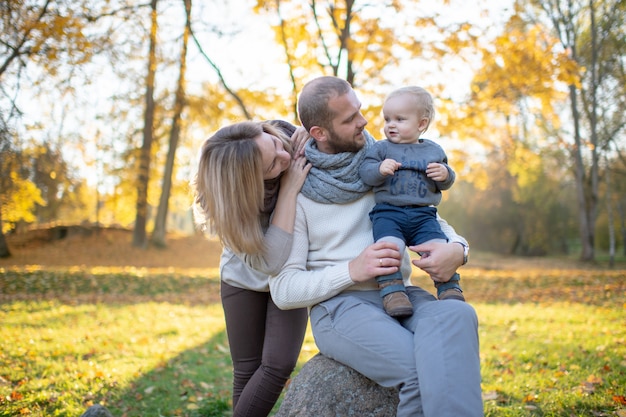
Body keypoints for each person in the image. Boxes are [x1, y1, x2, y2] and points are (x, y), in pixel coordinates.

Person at [269, 76, 482, 417]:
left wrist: (458, 249)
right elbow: (283, 289)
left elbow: (427, 217)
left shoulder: (382, 162)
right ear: (319, 133)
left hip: (403, 296)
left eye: (361, 111)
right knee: (422, 369)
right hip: (341, 308)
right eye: (349, 118)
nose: (365, 122)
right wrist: (353, 269)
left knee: (458, 313)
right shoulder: (299, 188)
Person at [191, 120, 311, 417]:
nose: (285, 158)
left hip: (290, 273)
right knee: (246, 369)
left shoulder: (285, 136)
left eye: (274, 146)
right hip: (243, 278)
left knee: (278, 364)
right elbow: (269, 260)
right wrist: (289, 189)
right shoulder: (223, 203)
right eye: (272, 167)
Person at [359, 86, 465, 318]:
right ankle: (393, 292)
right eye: (387, 119)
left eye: (399, 119)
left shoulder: (433, 150)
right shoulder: (381, 148)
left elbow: (447, 181)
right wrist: (379, 169)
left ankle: (449, 287)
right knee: (389, 249)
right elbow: (365, 173)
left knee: (438, 247)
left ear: (421, 124)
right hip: (388, 212)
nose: (391, 125)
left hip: (423, 215)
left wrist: (445, 175)